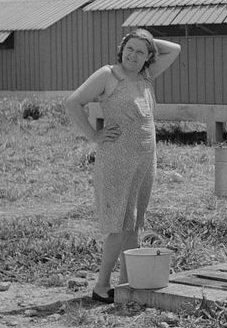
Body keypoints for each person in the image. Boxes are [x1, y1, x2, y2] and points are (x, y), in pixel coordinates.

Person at [65, 29, 182, 303]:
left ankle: (128, 284)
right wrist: (94, 135)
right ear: (121, 49)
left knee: (134, 222)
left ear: (148, 58)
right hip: (117, 159)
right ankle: (101, 286)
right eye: (130, 48)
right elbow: (73, 102)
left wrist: (146, 39)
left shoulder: (144, 76)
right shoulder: (108, 75)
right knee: (118, 223)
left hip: (144, 160)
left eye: (141, 52)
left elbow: (174, 49)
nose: (133, 55)